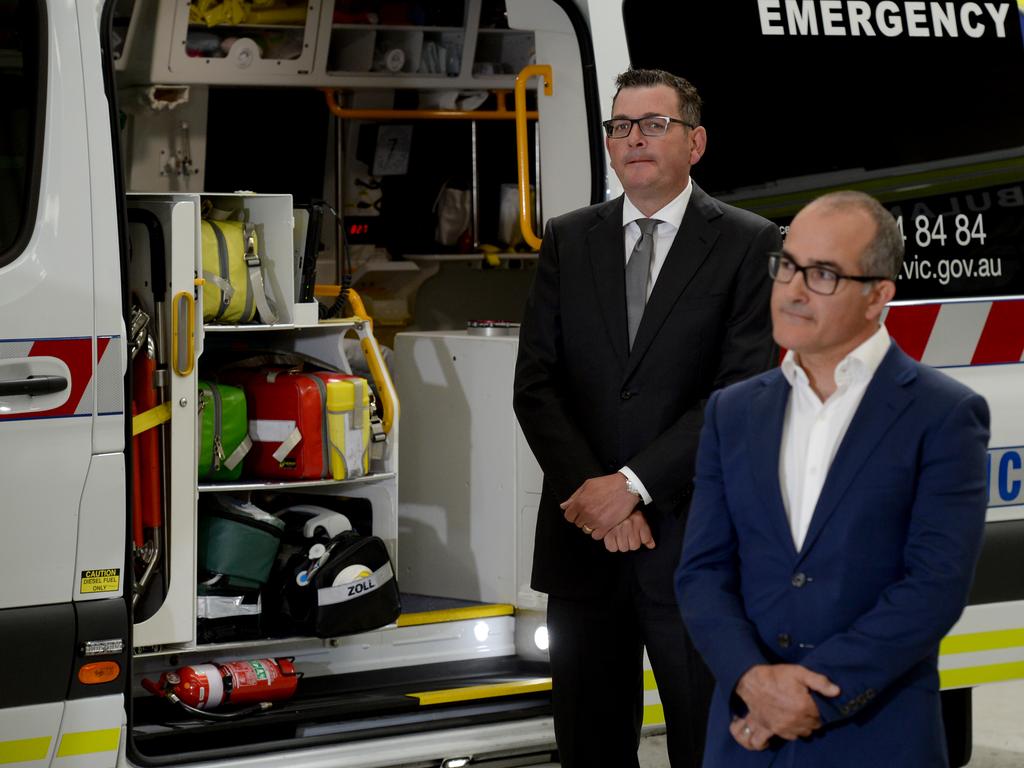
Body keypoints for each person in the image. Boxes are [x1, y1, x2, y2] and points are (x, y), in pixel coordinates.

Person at [512, 68, 782, 768]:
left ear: (695, 142)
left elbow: (741, 391)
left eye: (654, 124)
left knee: (707, 741)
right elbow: (536, 386)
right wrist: (598, 497)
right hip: (584, 546)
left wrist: (632, 485)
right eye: (620, 126)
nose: (634, 139)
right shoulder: (569, 239)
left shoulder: (749, 243)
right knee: (590, 746)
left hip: (690, 541)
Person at [675, 190, 990, 767]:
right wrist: (753, 680)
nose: (793, 290)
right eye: (787, 265)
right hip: (747, 737)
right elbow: (702, 572)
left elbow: (933, 588)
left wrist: (813, 697)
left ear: (878, 296)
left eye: (822, 274)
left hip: (874, 737)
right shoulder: (732, 412)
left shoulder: (943, 415)